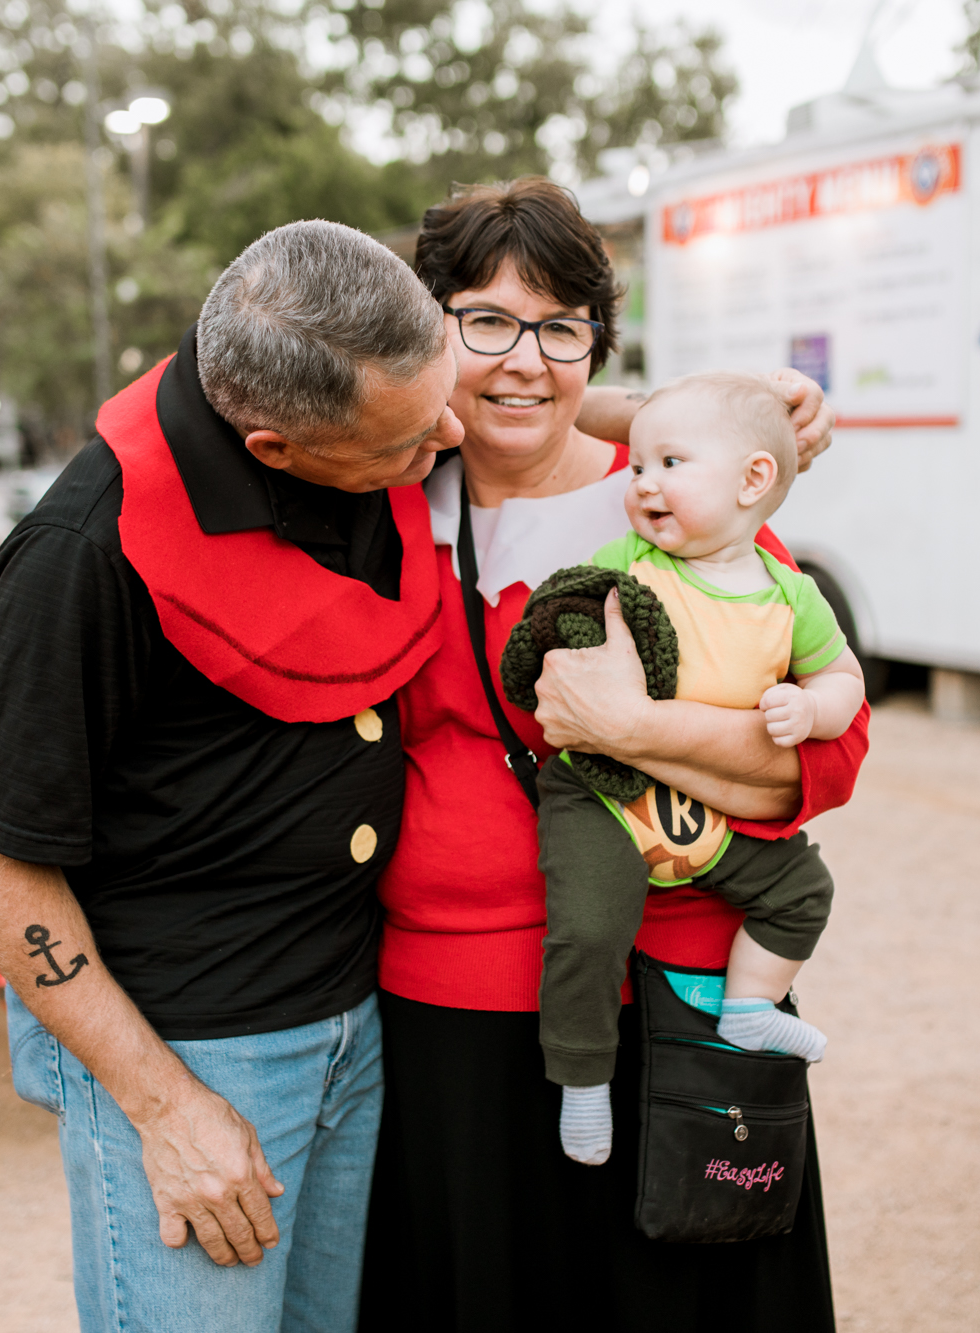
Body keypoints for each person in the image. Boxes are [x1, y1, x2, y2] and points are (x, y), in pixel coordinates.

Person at [0, 220, 468, 1333]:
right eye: (407, 447)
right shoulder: (80, 552)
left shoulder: (366, 416)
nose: (447, 443)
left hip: (351, 1017)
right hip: (193, 1048)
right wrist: (164, 1105)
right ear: (272, 445)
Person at [360, 177, 863, 1332]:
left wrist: (635, 732)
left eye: (559, 327)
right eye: (482, 320)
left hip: (671, 989)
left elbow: (829, 756)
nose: (522, 360)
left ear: (596, 344)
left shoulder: (674, 506)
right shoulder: (378, 512)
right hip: (449, 1006)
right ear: (428, 327)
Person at [521, 371, 867, 1166]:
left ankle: (750, 1003)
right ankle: (582, 1078)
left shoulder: (791, 595)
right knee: (588, 924)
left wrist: (810, 712)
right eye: (637, 466)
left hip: (703, 805)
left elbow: (842, 679)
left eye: (671, 463)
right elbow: (563, 642)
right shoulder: (627, 563)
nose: (643, 483)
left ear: (754, 479)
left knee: (802, 888)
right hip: (604, 794)